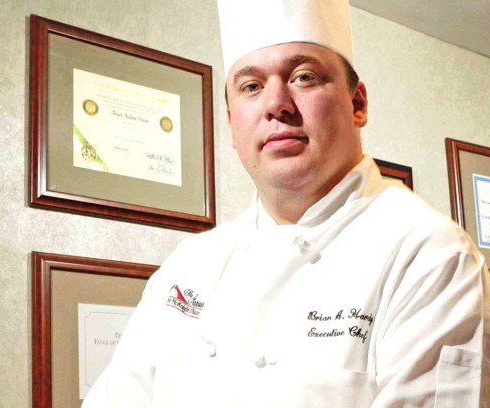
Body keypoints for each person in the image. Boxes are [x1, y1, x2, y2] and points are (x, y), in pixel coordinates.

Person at [82, 0, 490, 406]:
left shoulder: (431, 257)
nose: (276, 103)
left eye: (303, 76)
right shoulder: (189, 264)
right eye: (251, 87)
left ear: (358, 103)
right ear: (230, 125)